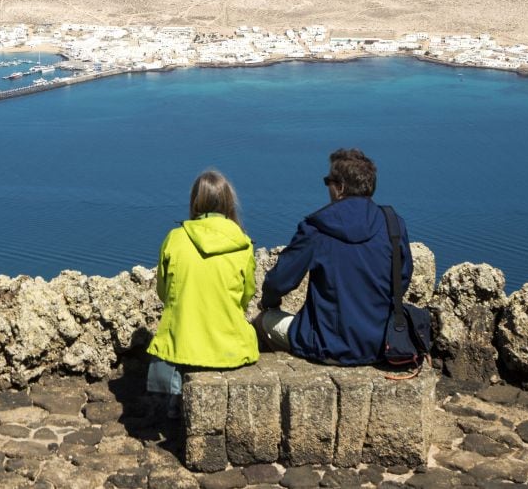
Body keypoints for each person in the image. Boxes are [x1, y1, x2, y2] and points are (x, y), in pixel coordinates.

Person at [255, 148, 412, 366]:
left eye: (328, 181)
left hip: (326, 345)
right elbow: (402, 279)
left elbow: (279, 280)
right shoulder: (393, 224)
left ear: (340, 187)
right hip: (383, 342)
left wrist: (269, 304)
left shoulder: (316, 229)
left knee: (263, 321)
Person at [147, 170, 259, 414]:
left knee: (169, 344)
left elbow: (163, 292)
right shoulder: (243, 243)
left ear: (195, 202)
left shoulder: (174, 239)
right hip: (231, 348)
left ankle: (172, 404)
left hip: (183, 346)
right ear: (230, 202)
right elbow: (246, 296)